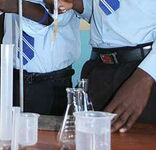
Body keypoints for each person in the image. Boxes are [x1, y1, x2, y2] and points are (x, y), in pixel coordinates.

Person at [46, 0, 156, 131]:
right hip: (98, 70)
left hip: (140, 73)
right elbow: (106, 17)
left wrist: (146, 77)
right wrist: (76, 4)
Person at [0, 0, 81, 115]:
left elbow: (51, 18)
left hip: (51, 84)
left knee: (48, 131)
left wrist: (16, 5)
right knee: (2, 130)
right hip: (9, 80)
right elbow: (3, 31)